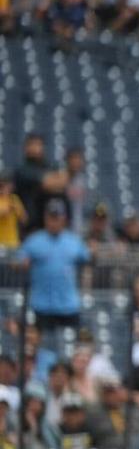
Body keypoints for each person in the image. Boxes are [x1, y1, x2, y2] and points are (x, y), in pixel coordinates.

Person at [17, 199, 90, 331]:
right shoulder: (34, 241)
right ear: (45, 218)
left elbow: (88, 258)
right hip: (42, 304)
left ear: (64, 219)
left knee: (72, 344)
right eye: (51, 217)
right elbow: (19, 260)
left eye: (57, 217)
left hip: (68, 304)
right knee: (43, 345)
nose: (54, 221)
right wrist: (23, 263)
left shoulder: (74, 241)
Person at [14, 133, 67, 231]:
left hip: (49, 224)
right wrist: (53, 182)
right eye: (32, 144)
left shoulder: (48, 166)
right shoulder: (22, 171)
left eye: (38, 144)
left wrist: (53, 182)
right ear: (26, 148)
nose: (35, 148)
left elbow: (64, 179)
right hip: (29, 226)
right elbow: (47, 183)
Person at [0, 170, 28, 248]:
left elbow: (24, 220)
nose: (3, 187)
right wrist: (9, 208)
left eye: (6, 184)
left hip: (13, 242)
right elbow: (2, 212)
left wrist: (16, 209)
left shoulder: (14, 199)